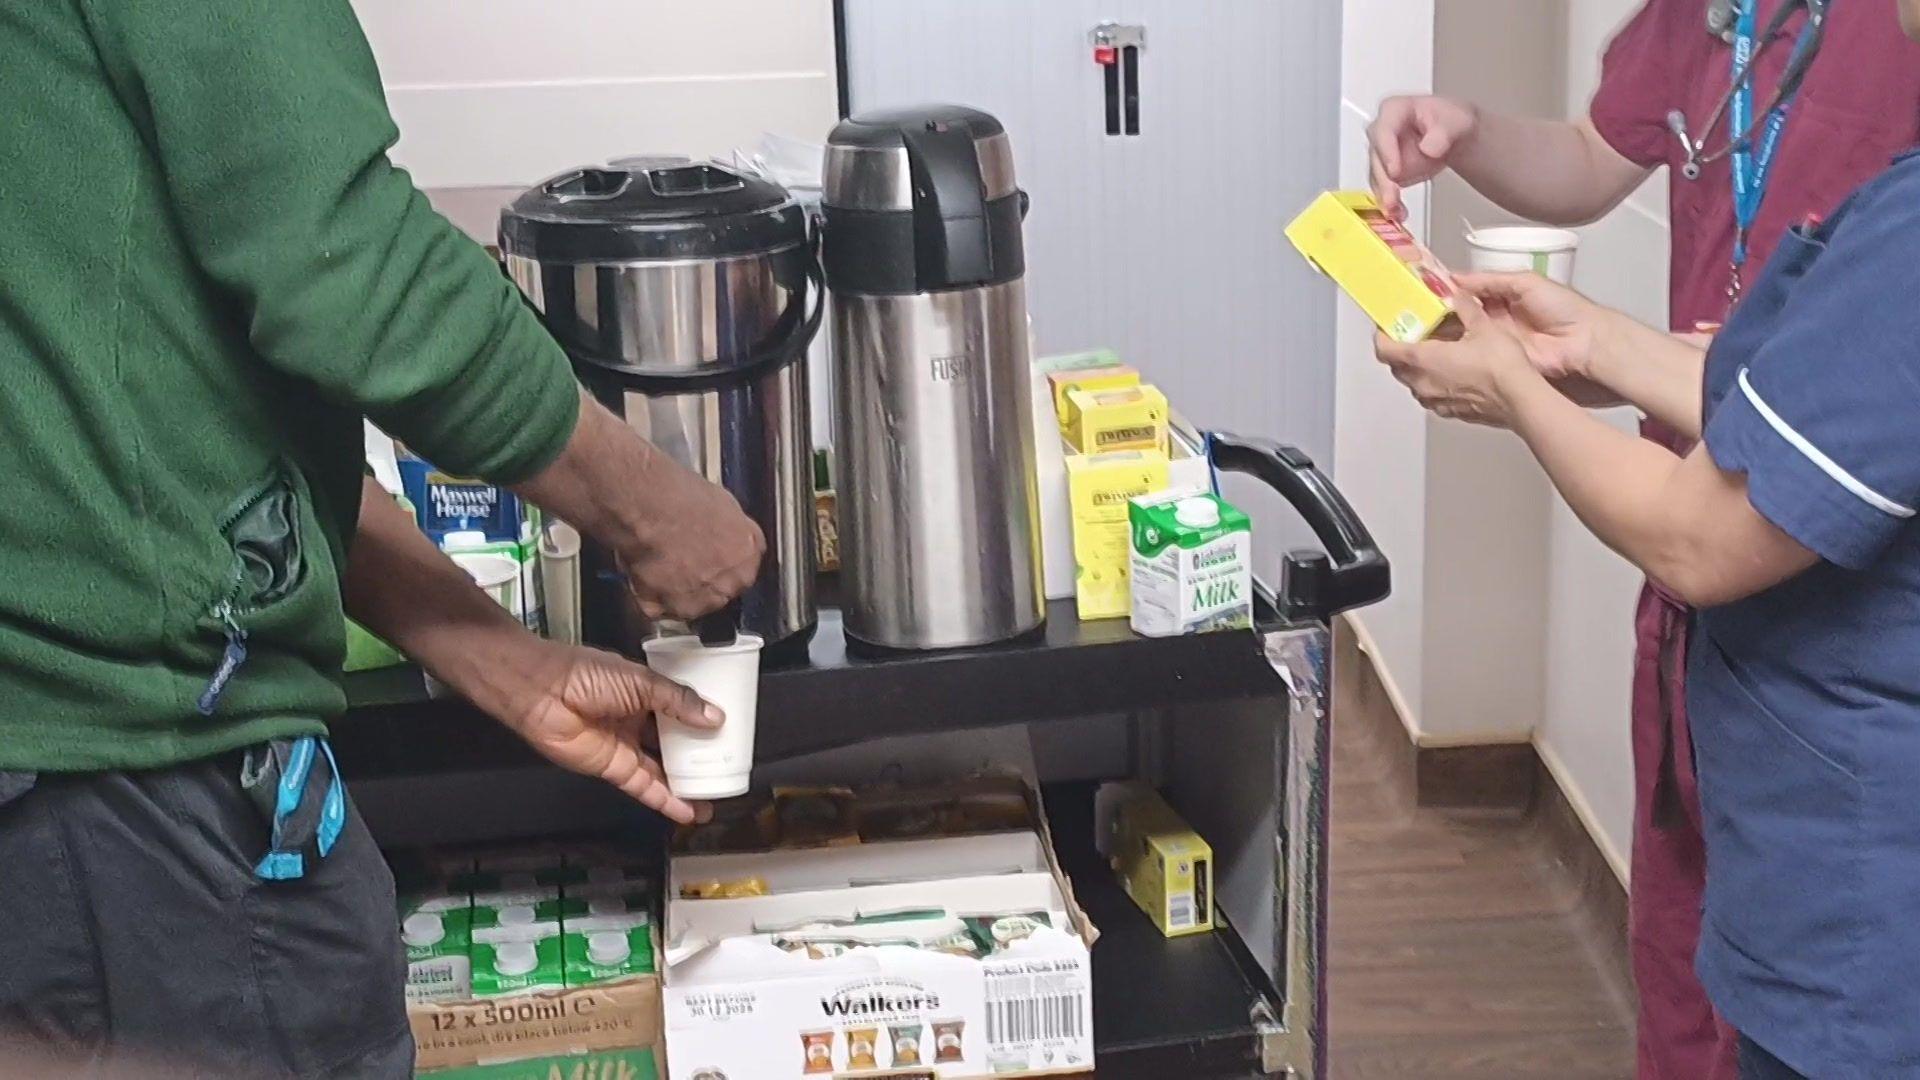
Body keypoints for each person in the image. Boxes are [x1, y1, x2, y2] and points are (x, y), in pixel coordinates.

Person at [0, 0, 767, 1076]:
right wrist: (657, 511)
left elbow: (151, 407)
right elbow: (342, 261)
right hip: (129, 811)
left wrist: (498, 655)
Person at [1368, 4, 1920, 1075]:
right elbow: (1805, 388)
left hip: (1865, 901)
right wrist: (1594, 341)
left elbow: (1701, 537)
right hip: (1786, 732)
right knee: (1686, 947)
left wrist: (1513, 387)